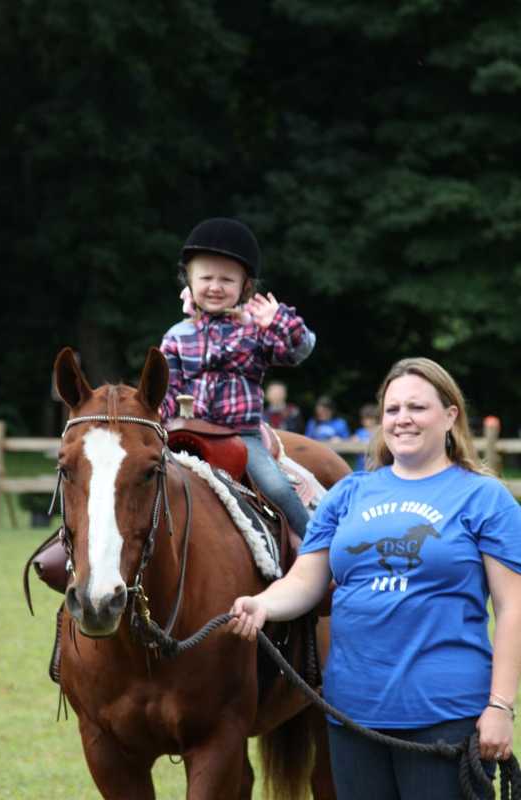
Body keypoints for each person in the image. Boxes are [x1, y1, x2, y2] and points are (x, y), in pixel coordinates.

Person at [231, 356, 521, 800]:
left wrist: (500, 706)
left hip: (445, 713)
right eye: (393, 409)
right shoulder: (350, 494)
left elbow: (512, 606)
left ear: (450, 416)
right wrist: (263, 603)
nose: (402, 418)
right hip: (351, 712)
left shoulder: (484, 498)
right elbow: (306, 580)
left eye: (417, 408)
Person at [159, 217, 315, 538]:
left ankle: (317, 547)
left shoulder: (256, 330)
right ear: (189, 281)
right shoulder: (177, 336)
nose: (215, 286)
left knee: (277, 488)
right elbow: (166, 392)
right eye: (206, 277)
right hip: (183, 435)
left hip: (240, 436)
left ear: (245, 286)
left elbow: (298, 350)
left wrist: (278, 322)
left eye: (227, 280)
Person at [352, 402, 379, 471]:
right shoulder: (360, 432)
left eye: (370, 418)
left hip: (376, 468)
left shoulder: (379, 431)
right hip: (361, 467)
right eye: (365, 419)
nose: (368, 421)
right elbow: (353, 447)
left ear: (375, 419)